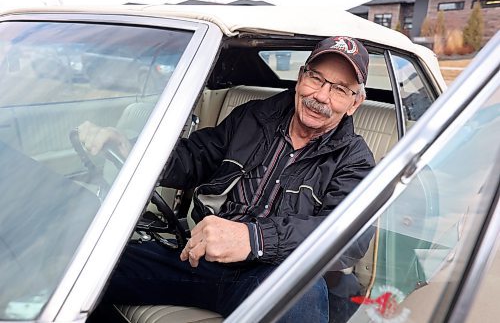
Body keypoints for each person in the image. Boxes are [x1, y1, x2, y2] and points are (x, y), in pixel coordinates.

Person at [82, 36, 375, 323]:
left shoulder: (355, 160)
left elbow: (351, 237)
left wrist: (254, 239)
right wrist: (129, 148)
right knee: (90, 263)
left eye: (339, 89)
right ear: (300, 78)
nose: (321, 96)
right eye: (316, 79)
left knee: (301, 290)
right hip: (202, 258)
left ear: (354, 103)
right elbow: (194, 158)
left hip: (270, 275)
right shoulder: (255, 117)